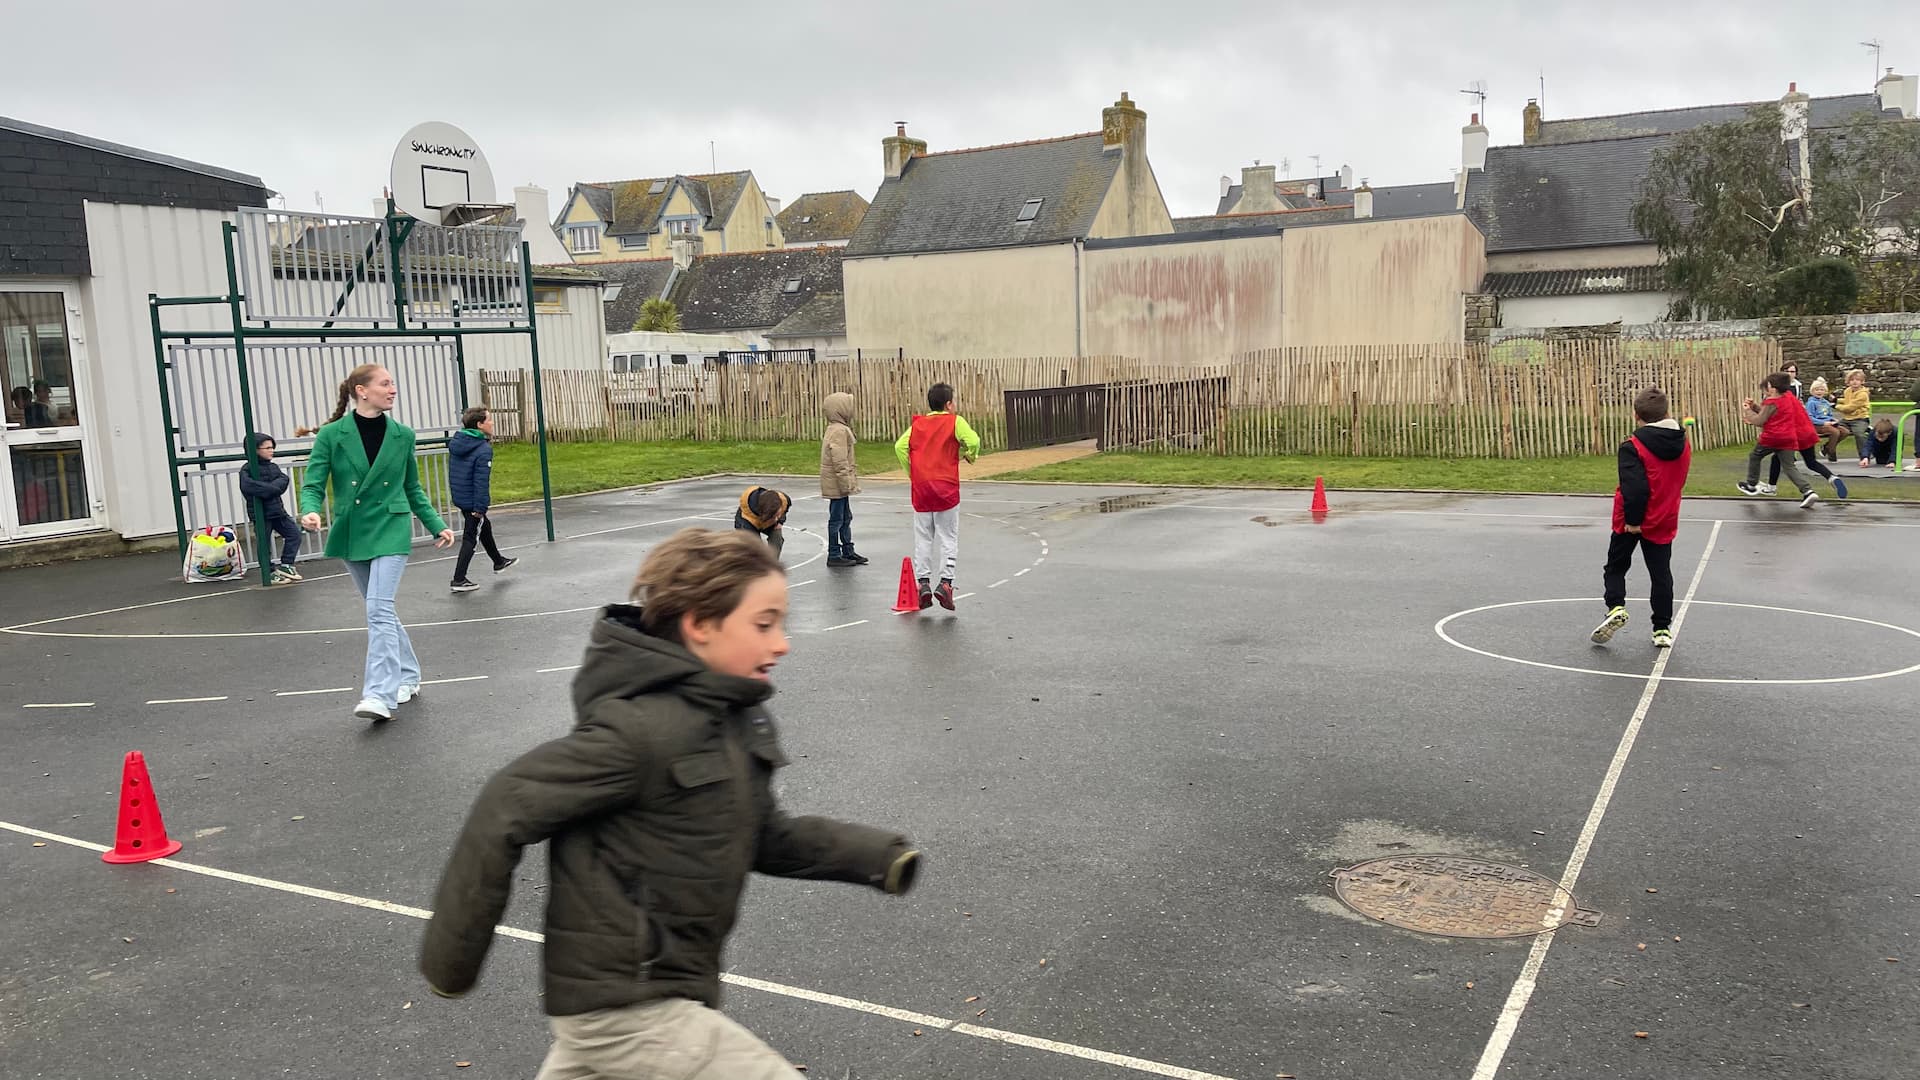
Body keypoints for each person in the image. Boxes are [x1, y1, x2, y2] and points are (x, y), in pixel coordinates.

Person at [420, 527, 921, 1080]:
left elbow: (760, 834)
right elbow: (506, 803)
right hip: (629, 1002)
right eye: (764, 624)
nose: (782, 643)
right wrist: (453, 959)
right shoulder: (640, 733)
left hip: (648, 995)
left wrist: (876, 856)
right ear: (701, 625)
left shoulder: (732, 722)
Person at [297, 364, 454, 722]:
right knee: (380, 609)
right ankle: (409, 675)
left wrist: (435, 524)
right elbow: (314, 482)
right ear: (361, 391)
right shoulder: (332, 435)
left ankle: (379, 694)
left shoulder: (402, 435)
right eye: (386, 384)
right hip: (353, 531)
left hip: (391, 527)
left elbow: (411, 486)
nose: (393, 389)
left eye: (393, 383)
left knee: (378, 610)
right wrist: (309, 511)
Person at [1592, 387, 1692, 649]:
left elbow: (1634, 487)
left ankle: (1615, 606)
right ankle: (1661, 628)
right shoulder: (1683, 443)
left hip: (1630, 520)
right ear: (1667, 412)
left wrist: (1634, 521)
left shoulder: (1631, 446)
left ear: (1636, 416)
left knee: (1616, 566)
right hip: (1664, 516)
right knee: (1661, 574)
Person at [894, 382, 980, 610]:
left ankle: (923, 583)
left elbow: (899, 447)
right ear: (949, 404)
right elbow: (974, 440)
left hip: (921, 488)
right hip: (946, 486)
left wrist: (912, 472)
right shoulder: (955, 421)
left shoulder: (917, 425)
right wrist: (971, 454)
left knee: (923, 537)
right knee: (948, 537)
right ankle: (945, 583)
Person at [447, 406, 517, 593]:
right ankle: (459, 579)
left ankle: (498, 562)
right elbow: (480, 481)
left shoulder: (458, 442)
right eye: (489, 420)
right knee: (471, 537)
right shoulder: (483, 449)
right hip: (472, 501)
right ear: (479, 424)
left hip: (461, 496)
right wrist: (480, 507)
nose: (492, 423)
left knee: (484, 527)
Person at [1738, 372, 1820, 508]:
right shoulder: (1787, 398)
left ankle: (1751, 485)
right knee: (1789, 466)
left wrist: (1748, 411)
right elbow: (1769, 413)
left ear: (1772, 388)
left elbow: (1760, 420)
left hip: (1772, 437)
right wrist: (1755, 407)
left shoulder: (1771, 402)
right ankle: (1808, 491)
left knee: (1755, 456)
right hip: (1788, 438)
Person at [1764, 379, 1849, 499]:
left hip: (1793, 434)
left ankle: (1804, 491)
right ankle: (1831, 477)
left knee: (1782, 461)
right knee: (1811, 462)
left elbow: (1771, 418)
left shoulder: (1780, 401)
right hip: (1808, 433)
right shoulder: (1796, 401)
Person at [240, 432, 304, 585]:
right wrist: (270, 489)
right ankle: (268, 572)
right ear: (255, 450)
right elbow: (249, 487)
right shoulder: (247, 469)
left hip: (277, 511)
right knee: (264, 543)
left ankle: (287, 564)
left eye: (272, 447)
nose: (271, 450)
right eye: (267, 448)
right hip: (261, 514)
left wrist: (269, 489)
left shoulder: (273, 467)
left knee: (294, 534)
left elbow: (284, 480)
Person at [820, 391, 865, 568]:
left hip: (838, 484)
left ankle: (847, 549)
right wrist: (846, 483)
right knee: (837, 519)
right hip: (837, 485)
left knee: (846, 517)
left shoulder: (838, 429)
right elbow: (839, 460)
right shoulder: (838, 431)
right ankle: (834, 553)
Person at [734, 486, 790, 558]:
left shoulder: (783, 499)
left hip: (767, 518)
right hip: (749, 523)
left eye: (778, 515)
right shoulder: (746, 518)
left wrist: (780, 521)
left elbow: (785, 509)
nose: (776, 519)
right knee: (755, 549)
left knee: (777, 538)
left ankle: (772, 564)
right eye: (774, 517)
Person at [1838, 369, 1874, 467]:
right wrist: (1837, 400)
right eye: (1852, 380)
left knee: (1859, 434)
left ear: (1862, 382)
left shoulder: (1863, 394)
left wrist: (1835, 406)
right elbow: (1847, 401)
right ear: (1848, 381)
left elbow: (1849, 408)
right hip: (1847, 419)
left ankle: (1864, 457)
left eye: (1857, 380)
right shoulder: (1847, 391)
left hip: (1860, 418)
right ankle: (1828, 449)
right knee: (1835, 429)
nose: (1854, 382)